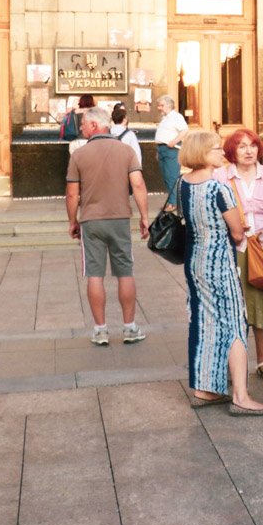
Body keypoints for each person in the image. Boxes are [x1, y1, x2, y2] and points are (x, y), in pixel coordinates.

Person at [178, 129, 263, 415]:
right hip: (220, 263)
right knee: (234, 324)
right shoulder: (218, 188)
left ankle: (204, 389)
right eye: (216, 149)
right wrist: (239, 229)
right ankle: (241, 396)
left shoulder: (182, 183)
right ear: (202, 153)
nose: (222, 153)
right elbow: (236, 231)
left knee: (204, 322)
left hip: (195, 262)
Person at [65, 107, 151, 347]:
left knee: (94, 274)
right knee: (125, 272)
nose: (81, 127)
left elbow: (72, 194)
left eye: (83, 123)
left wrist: (72, 221)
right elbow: (139, 185)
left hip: (91, 221)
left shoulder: (79, 155)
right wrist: (145, 217)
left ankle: (100, 330)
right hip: (120, 219)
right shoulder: (126, 151)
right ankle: (130, 328)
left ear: (94, 125)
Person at [213, 128, 263, 382]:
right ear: (231, 151)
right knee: (233, 309)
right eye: (242, 146)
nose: (249, 151)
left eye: (253, 145)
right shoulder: (220, 176)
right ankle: (233, 365)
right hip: (232, 251)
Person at [154, 95, 188, 211]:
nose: (159, 108)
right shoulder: (164, 118)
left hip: (171, 150)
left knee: (172, 177)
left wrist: (174, 142)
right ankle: (171, 202)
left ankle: (174, 203)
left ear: (169, 105)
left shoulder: (176, 117)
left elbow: (185, 130)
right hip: (162, 149)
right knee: (166, 177)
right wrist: (158, 151)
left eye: (162, 105)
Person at [110, 103, 142, 168]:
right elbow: (136, 153)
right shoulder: (130, 134)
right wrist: (138, 168)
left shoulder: (107, 133)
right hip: (125, 167)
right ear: (124, 120)